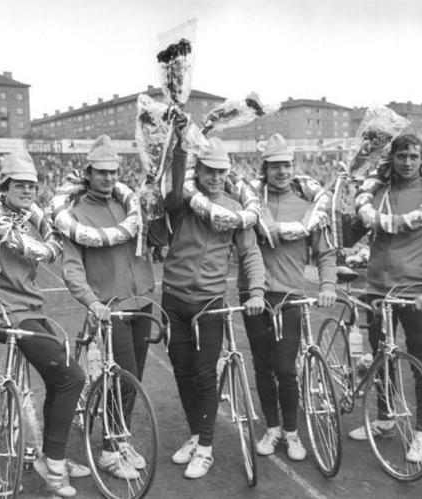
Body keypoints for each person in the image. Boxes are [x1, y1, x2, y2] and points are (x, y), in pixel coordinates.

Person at [157, 131, 265, 479]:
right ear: (198, 171)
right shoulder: (182, 202)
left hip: (210, 303)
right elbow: (172, 196)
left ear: (227, 173)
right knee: (183, 371)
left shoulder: (235, 211)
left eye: (221, 172)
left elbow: (250, 254)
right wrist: (177, 148)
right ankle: (195, 433)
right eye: (209, 171)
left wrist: (258, 292)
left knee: (205, 373)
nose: (215, 178)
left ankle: (205, 448)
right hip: (173, 299)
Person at [344, 134, 422, 463]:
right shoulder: (376, 191)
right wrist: (351, 199)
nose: (407, 162)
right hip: (377, 290)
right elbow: (349, 235)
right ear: (391, 158)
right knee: (382, 358)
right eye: (401, 156)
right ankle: (385, 419)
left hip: (415, 292)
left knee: (421, 360)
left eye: (413, 156)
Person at [0, 150, 87, 497]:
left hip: (31, 310)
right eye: (20, 185)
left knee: (61, 380)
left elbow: (49, 244)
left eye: (32, 185)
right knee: (73, 376)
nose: (28, 190)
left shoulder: (30, 219)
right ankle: (53, 463)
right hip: (5, 312)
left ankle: (50, 455)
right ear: (5, 186)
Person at [61, 135, 156, 480]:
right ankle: (108, 450)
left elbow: (155, 239)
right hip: (109, 309)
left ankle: (122, 439)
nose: (108, 178)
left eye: (113, 172)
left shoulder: (130, 206)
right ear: (87, 173)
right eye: (101, 172)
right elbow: (71, 267)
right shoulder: (74, 215)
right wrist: (92, 302)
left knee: (134, 379)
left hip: (142, 303)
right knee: (122, 380)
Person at [240, 134, 337, 460]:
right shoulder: (251, 206)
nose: (281, 171)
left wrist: (327, 286)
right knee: (262, 365)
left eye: (286, 165)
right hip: (253, 296)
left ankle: (292, 432)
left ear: (293, 168)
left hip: (290, 296)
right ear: (264, 169)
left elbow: (325, 253)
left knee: (285, 367)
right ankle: (272, 428)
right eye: (275, 166)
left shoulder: (309, 207)